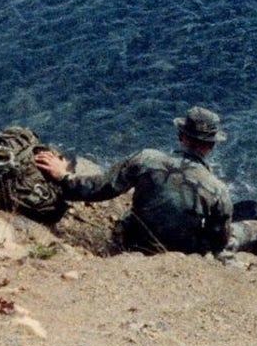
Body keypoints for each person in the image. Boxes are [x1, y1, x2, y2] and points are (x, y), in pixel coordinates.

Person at [34, 106, 233, 256]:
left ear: (181, 135)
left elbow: (100, 189)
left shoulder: (146, 158)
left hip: (135, 244)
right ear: (211, 146)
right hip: (181, 255)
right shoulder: (218, 190)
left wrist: (62, 176)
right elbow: (217, 242)